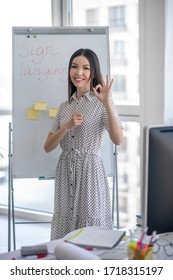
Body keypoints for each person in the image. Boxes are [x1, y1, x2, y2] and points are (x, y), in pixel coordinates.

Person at [44, 48, 123, 240]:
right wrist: (66, 127)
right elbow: (47, 146)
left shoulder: (101, 103)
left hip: (90, 172)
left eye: (85, 68)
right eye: (74, 67)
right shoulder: (64, 106)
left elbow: (118, 139)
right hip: (65, 171)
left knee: (90, 232)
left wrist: (107, 103)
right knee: (65, 231)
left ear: (93, 73)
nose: (78, 73)